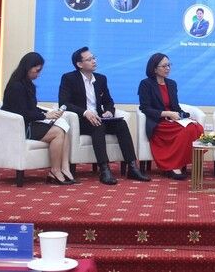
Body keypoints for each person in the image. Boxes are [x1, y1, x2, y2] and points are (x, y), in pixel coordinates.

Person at [58, 47, 150, 185]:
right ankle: (104, 169)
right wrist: (85, 112)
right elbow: (64, 103)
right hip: (81, 120)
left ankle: (132, 167)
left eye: (94, 57)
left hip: (100, 118)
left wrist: (109, 111)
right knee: (98, 126)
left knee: (121, 124)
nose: (94, 61)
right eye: (89, 59)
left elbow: (108, 101)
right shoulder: (69, 78)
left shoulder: (101, 79)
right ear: (79, 64)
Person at [1, 52, 74, 185]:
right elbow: (22, 113)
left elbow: (31, 108)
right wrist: (44, 116)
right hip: (19, 127)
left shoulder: (28, 84)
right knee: (58, 133)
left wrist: (48, 113)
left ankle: (64, 168)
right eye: (37, 70)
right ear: (28, 67)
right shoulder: (16, 86)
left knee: (64, 128)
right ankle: (55, 171)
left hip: (28, 123)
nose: (38, 74)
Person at [137, 53, 204, 180]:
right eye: (164, 66)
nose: (168, 68)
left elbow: (175, 107)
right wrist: (167, 114)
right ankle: (173, 166)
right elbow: (145, 108)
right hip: (158, 122)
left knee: (196, 127)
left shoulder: (172, 84)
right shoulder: (145, 84)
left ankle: (179, 162)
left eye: (169, 65)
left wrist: (184, 116)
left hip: (173, 121)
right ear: (154, 69)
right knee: (188, 129)